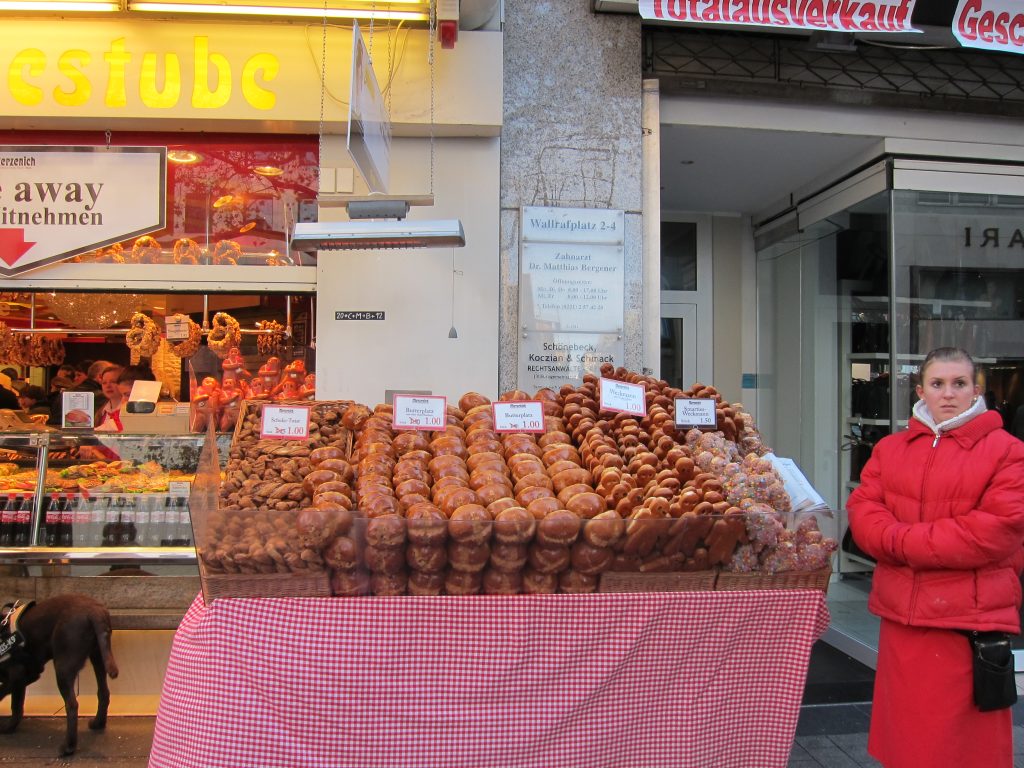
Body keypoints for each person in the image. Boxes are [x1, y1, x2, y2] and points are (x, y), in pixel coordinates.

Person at [848, 347, 1024, 768]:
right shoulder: (891, 449)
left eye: (959, 384)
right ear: (922, 389)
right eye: (938, 383)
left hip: (966, 624)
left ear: (976, 390)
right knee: (907, 745)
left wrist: (900, 542)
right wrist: (901, 539)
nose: (948, 394)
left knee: (964, 749)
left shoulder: (1007, 450)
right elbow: (863, 511)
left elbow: (994, 531)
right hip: (903, 621)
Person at [94, 365, 124, 431]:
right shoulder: (101, 412)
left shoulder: (129, 411)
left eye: (113, 382)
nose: (108, 386)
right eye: (104, 383)